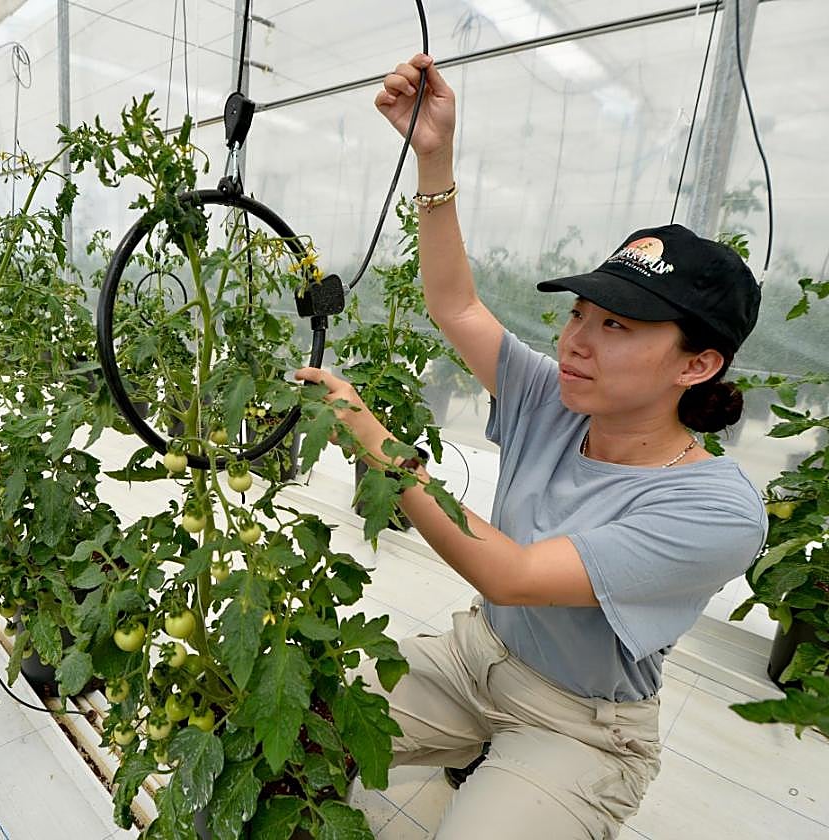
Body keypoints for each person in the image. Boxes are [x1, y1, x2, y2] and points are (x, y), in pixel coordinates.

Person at [296, 54, 766, 839]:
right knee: (295, 732)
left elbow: (510, 574)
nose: (576, 340)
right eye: (581, 312)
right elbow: (454, 304)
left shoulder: (714, 508)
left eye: (616, 325)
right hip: (475, 654)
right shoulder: (555, 397)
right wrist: (434, 156)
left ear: (698, 363)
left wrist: (369, 433)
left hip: (580, 722)